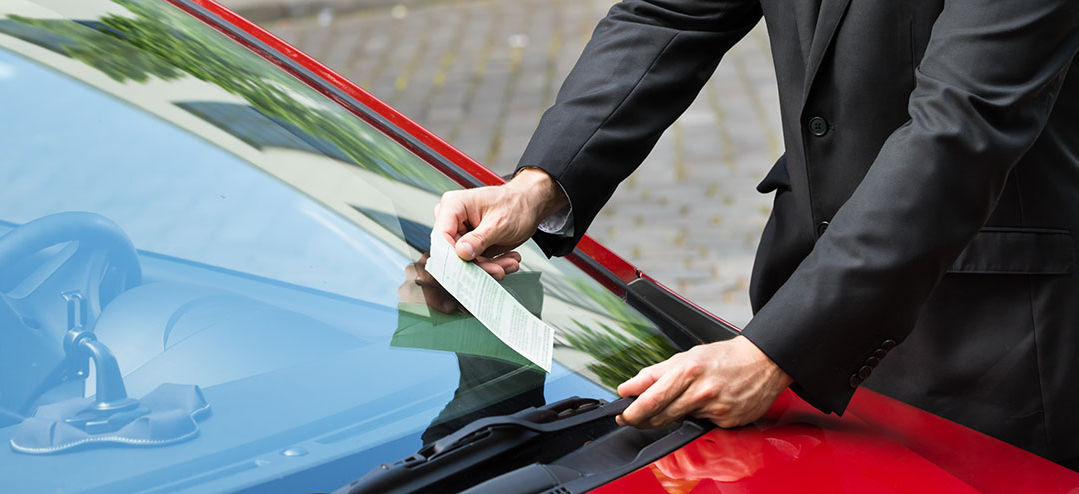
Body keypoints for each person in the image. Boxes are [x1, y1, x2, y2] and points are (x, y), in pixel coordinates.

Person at [432, 0, 1079, 470]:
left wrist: (775, 353)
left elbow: (962, 127)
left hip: (990, 346)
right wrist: (537, 185)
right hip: (799, 293)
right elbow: (672, 13)